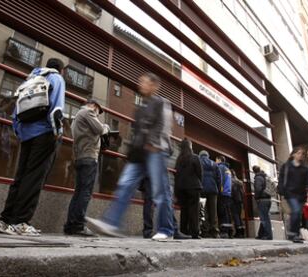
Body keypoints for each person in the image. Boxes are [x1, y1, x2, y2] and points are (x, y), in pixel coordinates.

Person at [86, 72, 175, 240]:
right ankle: (111, 223)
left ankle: (166, 229)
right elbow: (136, 132)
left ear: (154, 85)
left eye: (145, 82)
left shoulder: (161, 103)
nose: (140, 84)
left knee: (160, 192)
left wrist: (154, 144)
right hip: (139, 153)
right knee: (125, 185)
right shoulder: (141, 108)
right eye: (140, 81)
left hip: (156, 150)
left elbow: (164, 126)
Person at [0, 58, 65, 236]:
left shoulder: (30, 79)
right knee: (34, 179)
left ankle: (4, 221)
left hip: (26, 135)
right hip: (44, 134)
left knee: (21, 177)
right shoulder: (57, 79)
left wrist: (20, 133)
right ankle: (20, 222)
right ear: (61, 70)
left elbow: (16, 112)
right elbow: (56, 111)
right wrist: (57, 135)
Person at [63, 99, 110, 236]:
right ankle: (78, 226)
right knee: (85, 193)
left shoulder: (77, 116)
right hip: (89, 157)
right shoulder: (87, 112)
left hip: (80, 157)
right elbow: (100, 129)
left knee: (78, 192)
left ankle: (70, 225)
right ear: (94, 106)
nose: (97, 114)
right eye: (97, 111)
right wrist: (106, 126)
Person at [277, 147, 308, 243]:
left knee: (298, 214)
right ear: (293, 154)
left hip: (301, 195)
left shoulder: (304, 169)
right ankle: (293, 233)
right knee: (296, 211)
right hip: (290, 193)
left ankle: (295, 234)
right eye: (298, 153)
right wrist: (281, 190)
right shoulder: (286, 166)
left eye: (302, 154)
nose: (300, 155)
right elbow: (281, 179)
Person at [174, 139, 203, 239]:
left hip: (181, 187)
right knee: (194, 210)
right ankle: (194, 233)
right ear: (190, 146)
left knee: (184, 210)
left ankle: (183, 231)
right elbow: (200, 173)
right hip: (193, 187)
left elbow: (176, 175)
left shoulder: (178, 159)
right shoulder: (195, 157)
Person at [199, 150, 221, 238]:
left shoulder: (198, 162)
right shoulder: (214, 164)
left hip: (202, 189)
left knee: (204, 210)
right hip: (213, 190)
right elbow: (219, 178)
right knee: (213, 211)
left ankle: (205, 231)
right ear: (208, 156)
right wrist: (217, 188)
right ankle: (215, 231)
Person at [253, 165, 273, 240]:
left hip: (262, 199)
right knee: (264, 217)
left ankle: (268, 235)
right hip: (268, 200)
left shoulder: (258, 178)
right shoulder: (264, 176)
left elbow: (258, 189)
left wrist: (256, 197)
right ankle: (260, 234)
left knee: (264, 218)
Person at [216, 155, 233, 238]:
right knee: (227, 212)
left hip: (222, 193)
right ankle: (229, 231)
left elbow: (220, 179)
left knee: (222, 212)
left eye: (216, 160)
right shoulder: (228, 169)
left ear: (219, 160)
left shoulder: (221, 167)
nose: (216, 162)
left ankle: (224, 232)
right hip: (228, 193)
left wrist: (219, 190)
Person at [230, 169, 245, 238]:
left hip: (233, 200)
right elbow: (243, 193)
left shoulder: (231, 181)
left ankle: (238, 232)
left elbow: (231, 191)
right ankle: (242, 232)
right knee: (239, 216)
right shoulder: (240, 182)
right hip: (240, 201)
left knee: (235, 216)